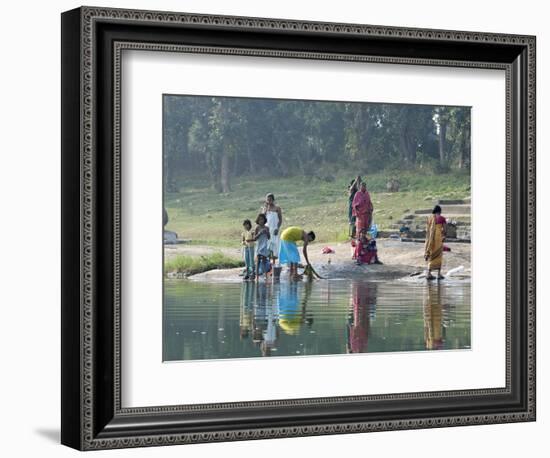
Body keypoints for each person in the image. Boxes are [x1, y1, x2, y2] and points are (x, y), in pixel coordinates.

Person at [424, 205, 447, 280]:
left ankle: (429, 273)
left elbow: (427, 229)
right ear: (440, 211)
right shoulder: (442, 218)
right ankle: (439, 274)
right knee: (439, 255)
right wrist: (444, 236)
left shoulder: (429, 218)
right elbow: (445, 229)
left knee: (431, 254)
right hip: (438, 238)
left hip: (431, 239)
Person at [261, 193, 283, 265]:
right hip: (267, 229)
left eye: (270, 199)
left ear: (273, 200)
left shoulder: (277, 208)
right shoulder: (265, 209)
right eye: (267, 200)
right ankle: (268, 264)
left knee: (274, 245)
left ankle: (273, 264)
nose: (269, 201)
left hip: (274, 229)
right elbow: (262, 219)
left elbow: (280, 220)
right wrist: (265, 210)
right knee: (267, 246)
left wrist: (277, 228)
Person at [254, 213, 271, 281]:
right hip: (259, 245)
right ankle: (257, 275)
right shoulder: (257, 227)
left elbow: (269, 237)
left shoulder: (267, 227)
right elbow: (255, 238)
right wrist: (260, 233)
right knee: (258, 260)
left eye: (262, 219)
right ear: (258, 220)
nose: (261, 221)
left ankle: (265, 274)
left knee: (264, 260)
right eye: (260, 219)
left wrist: (266, 232)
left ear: (265, 220)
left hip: (264, 245)